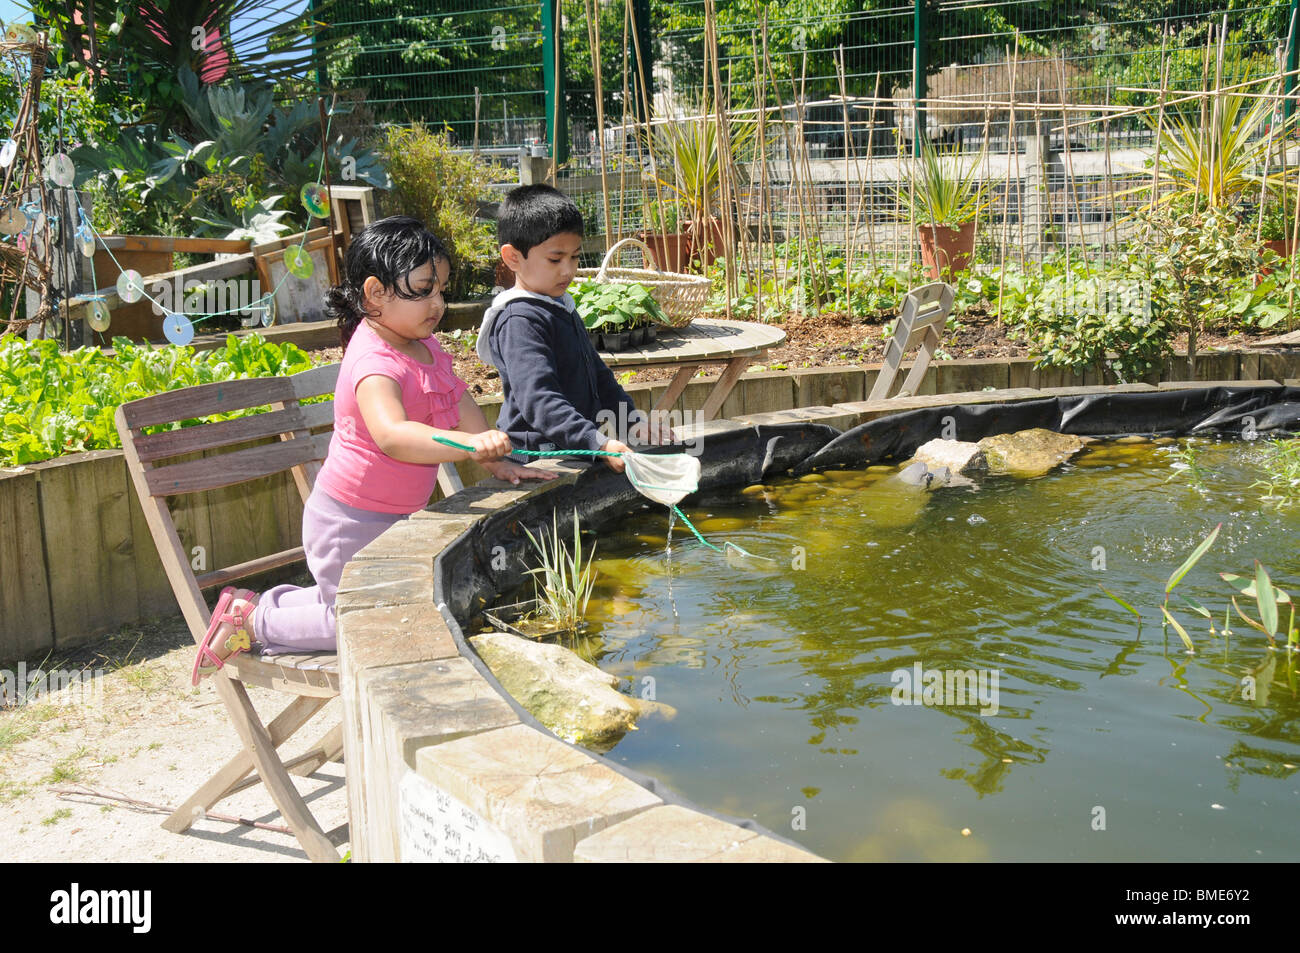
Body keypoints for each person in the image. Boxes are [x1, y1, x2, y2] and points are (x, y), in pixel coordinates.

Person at [192, 216, 554, 684]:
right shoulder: (373, 362)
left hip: (393, 518)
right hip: (348, 521)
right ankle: (252, 622)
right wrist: (468, 445)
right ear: (375, 293)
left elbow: (456, 396)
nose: (438, 303)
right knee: (368, 621)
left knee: (369, 603)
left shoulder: (422, 346)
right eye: (424, 289)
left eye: (441, 289)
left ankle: (254, 606)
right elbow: (392, 434)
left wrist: (492, 457)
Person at [476, 183, 673, 476]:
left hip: (570, 449)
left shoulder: (558, 305)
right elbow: (540, 401)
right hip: (536, 460)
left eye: (575, 257)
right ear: (513, 257)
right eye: (555, 259)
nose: (568, 270)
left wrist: (631, 421)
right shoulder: (519, 320)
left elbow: (598, 375)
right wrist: (597, 442)